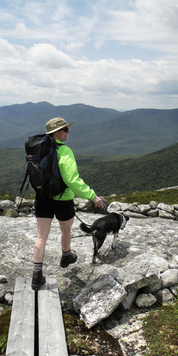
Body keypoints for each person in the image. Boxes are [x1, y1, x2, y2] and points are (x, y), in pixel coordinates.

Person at [32, 117, 105, 290]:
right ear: (56, 133)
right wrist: (93, 196)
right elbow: (72, 180)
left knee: (41, 236)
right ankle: (66, 256)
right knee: (66, 230)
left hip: (42, 197)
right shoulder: (65, 151)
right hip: (63, 199)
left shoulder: (39, 149)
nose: (68, 132)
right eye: (65, 129)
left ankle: (36, 277)